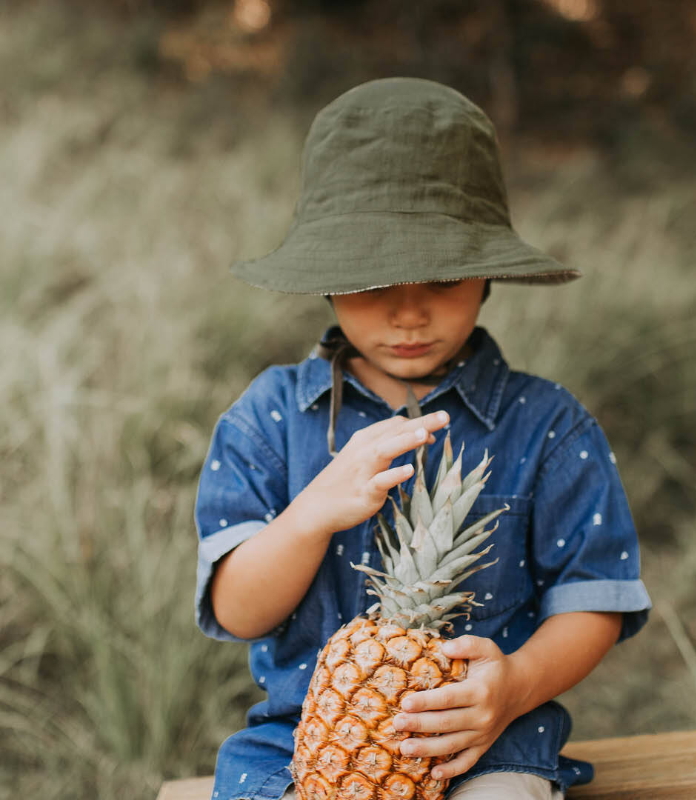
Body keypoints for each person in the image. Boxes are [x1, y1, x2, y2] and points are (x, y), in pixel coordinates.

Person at [194, 77, 651, 800]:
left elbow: (595, 599)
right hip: (303, 740)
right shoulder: (268, 415)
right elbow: (237, 611)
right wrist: (312, 512)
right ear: (327, 278)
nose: (409, 312)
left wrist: (515, 685)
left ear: (487, 274)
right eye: (374, 278)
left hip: (488, 740)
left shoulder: (550, 424)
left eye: (441, 276)